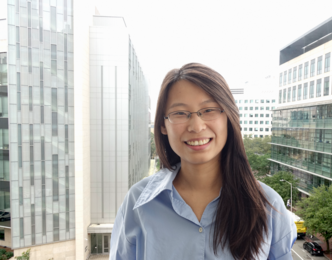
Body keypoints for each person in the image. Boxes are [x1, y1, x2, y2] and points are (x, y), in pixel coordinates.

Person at [110, 63, 297, 260]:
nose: (196, 126)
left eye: (209, 110)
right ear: (163, 125)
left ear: (229, 117)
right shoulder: (138, 203)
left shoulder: (267, 206)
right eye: (180, 113)